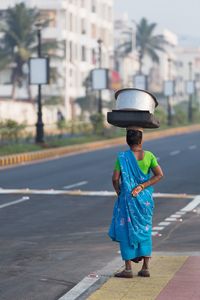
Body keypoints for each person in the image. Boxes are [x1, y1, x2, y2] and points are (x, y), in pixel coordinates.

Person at [108, 128, 163, 278]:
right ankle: (145, 267)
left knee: (126, 230)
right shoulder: (150, 156)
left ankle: (127, 269)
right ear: (141, 141)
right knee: (145, 230)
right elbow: (159, 175)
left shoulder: (122, 157)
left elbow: (115, 179)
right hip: (144, 200)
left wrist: (120, 192)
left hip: (127, 200)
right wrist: (143, 186)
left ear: (127, 141)